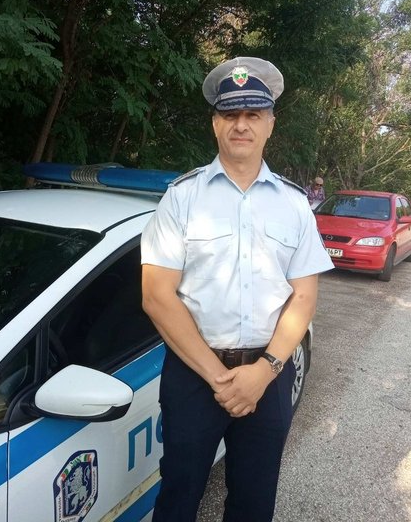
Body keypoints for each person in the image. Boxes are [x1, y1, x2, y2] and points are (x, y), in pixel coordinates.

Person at [141, 57, 334, 522]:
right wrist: (218, 377)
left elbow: (303, 297)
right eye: (230, 114)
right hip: (194, 373)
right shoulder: (182, 197)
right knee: (178, 496)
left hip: (269, 373)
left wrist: (264, 372)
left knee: (254, 500)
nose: (241, 125)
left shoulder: (294, 205)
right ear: (215, 124)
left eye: (253, 114)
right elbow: (156, 296)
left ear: (270, 124)